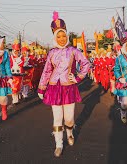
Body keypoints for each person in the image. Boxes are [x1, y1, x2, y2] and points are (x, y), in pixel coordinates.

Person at [37, 11, 90, 157]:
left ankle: (70, 132)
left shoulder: (73, 50)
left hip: (68, 88)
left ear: (67, 35)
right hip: (54, 88)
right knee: (57, 118)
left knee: (69, 119)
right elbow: (47, 71)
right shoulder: (52, 53)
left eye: (63, 35)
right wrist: (41, 88)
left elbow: (86, 64)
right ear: (55, 37)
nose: (61, 39)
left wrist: (78, 77)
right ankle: (59, 144)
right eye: (58, 36)